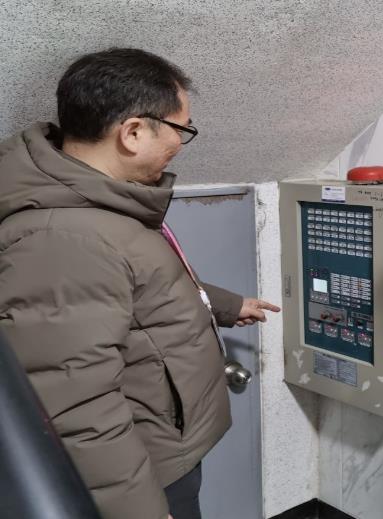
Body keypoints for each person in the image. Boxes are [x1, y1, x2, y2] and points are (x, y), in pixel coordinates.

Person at [0, 48, 279, 519]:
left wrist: (227, 305)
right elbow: (76, 405)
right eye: (180, 129)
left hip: (167, 451)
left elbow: (140, 287)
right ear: (132, 132)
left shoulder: (97, 202)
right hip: (146, 478)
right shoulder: (61, 238)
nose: (180, 144)